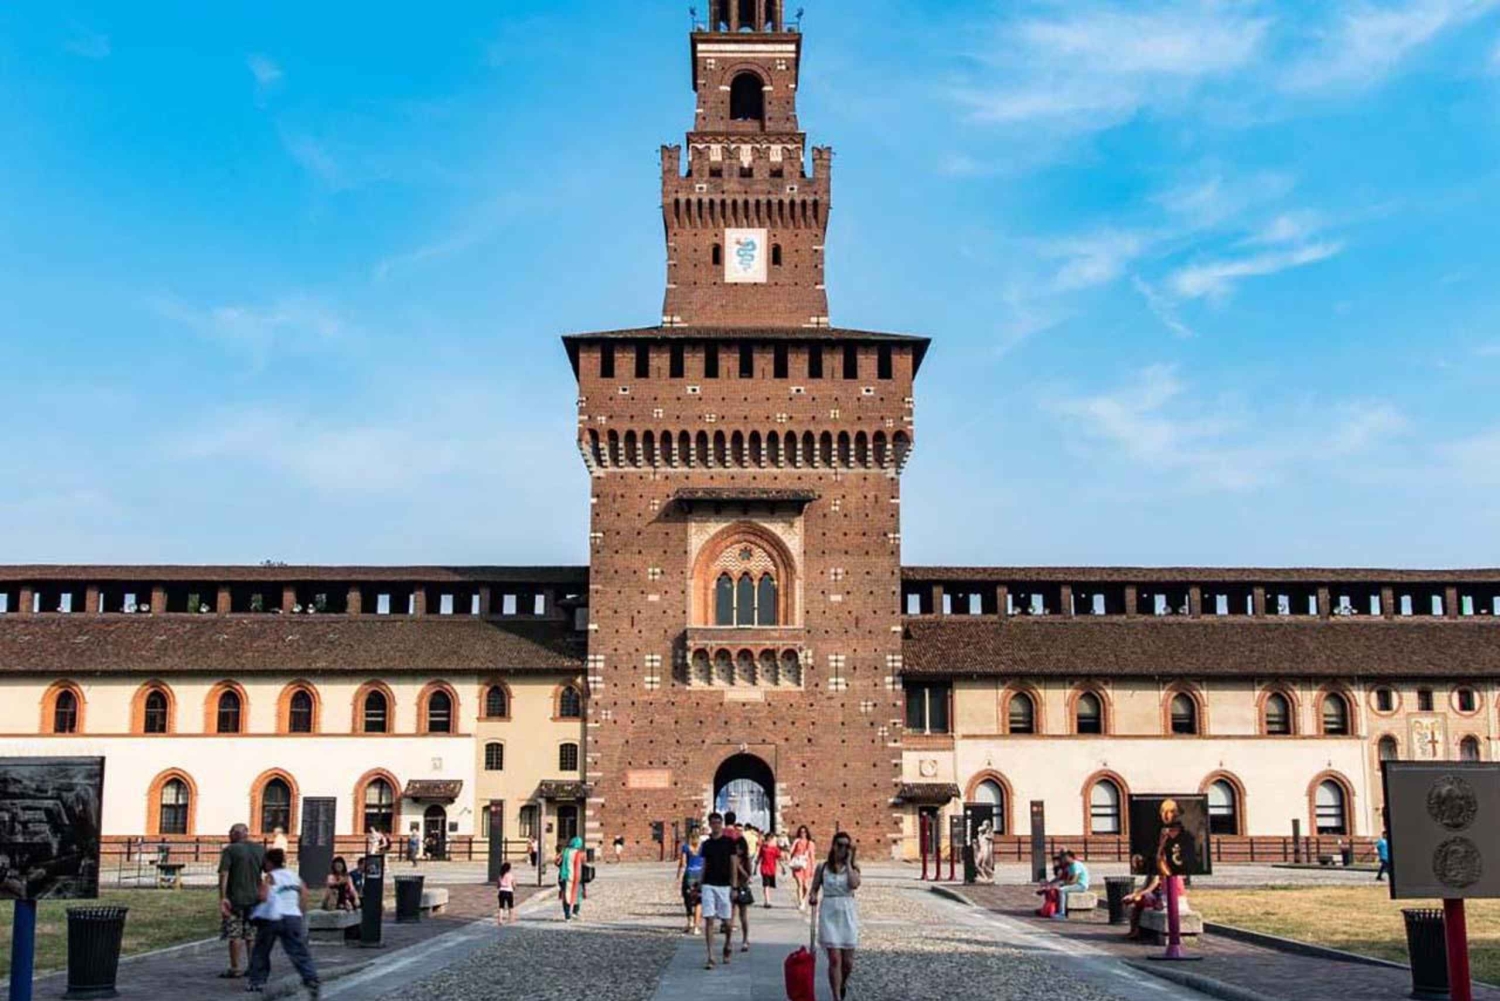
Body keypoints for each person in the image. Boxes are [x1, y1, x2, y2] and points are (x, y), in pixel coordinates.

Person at [246, 849, 320, 998]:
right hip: (293, 917)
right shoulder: (293, 876)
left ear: (269, 862)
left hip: (273, 917)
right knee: (298, 951)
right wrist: (299, 911)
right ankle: (310, 977)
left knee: (261, 949)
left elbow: (263, 895)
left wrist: (254, 903)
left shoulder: (271, 876)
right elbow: (304, 893)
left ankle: (257, 981)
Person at [809, 831, 861, 1001]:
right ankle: (836, 997)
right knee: (834, 959)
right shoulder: (822, 867)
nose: (843, 848)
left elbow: (854, 885)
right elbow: (815, 886)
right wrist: (813, 895)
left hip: (847, 913)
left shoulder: (853, 868)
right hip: (829, 912)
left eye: (847, 846)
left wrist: (849, 862)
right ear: (833, 845)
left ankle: (843, 983)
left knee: (848, 963)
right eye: (840, 845)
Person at [216, 823, 265, 980]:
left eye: (230, 832)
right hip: (255, 899)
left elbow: (224, 874)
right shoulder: (260, 850)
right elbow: (270, 872)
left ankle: (235, 967)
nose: (228, 835)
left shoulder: (230, 850)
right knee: (251, 935)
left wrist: (223, 897)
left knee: (235, 934)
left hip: (235, 899)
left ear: (236, 834)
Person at [697, 812, 739, 970]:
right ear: (710, 824)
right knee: (708, 920)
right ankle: (711, 956)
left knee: (727, 923)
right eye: (713, 822)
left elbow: (733, 864)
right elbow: (704, 865)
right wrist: (699, 884)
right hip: (708, 884)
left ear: (721, 824)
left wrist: (734, 886)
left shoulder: (729, 843)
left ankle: (728, 944)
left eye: (717, 822)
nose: (715, 825)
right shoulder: (706, 845)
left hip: (724, 885)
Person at [675, 832, 706, 934]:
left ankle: (690, 922)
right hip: (700, 875)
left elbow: (683, 863)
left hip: (689, 874)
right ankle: (696, 927)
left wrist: (678, 875)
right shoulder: (702, 848)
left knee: (687, 898)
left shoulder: (686, 847)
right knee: (698, 901)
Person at [1053, 849, 1090, 920]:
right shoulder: (1069, 866)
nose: (1064, 859)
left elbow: (1074, 880)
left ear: (1071, 857)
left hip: (1081, 885)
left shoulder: (1076, 865)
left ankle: (1062, 913)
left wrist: (1063, 884)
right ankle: (1058, 910)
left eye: (1066, 858)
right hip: (1075, 885)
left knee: (1061, 890)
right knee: (1060, 888)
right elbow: (1068, 878)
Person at [1123, 874, 1163, 939]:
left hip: (1156, 898)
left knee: (1139, 900)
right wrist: (1132, 895)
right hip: (1148, 896)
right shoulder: (1149, 876)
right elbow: (1143, 887)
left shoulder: (1157, 876)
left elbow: (1149, 889)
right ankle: (1133, 929)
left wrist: (1135, 896)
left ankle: (1136, 930)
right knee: (1131, 902)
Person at [556, 836, 586, 920]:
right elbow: (584, 864)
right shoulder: (580, 854)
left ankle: (567, 915)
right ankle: (575, 912)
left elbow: (557, 861)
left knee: (566, 896)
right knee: (577, 895)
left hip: (565, 876)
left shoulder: (564, 852)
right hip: (577, 878)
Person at [789, 825, 815, 912]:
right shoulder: (797, 842)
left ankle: (803, 899)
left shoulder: (810, 843)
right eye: (801, 832)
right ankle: (801, 902)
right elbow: (791, 851)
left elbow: (812, 856)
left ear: (807, 833)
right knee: (799, 884)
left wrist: (813, 868)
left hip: (806, 866)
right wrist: (794, 843)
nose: (802, 834)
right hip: (797, 865)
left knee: (806, 886)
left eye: (804, 832)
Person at [756, 831, 783, 908]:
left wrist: (782, 867)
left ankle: (767, 899)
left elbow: (779, 858)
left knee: (769, 885)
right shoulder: (763, 847)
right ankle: (767, 901)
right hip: (764, 868)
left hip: (772, 868)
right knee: (766, 885)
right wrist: (756, 864)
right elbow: (759, 856)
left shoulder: (775, 848)